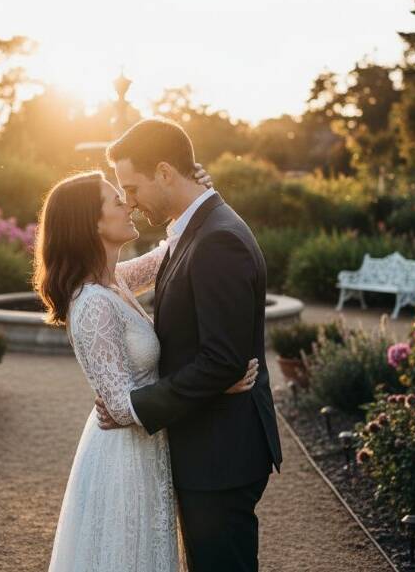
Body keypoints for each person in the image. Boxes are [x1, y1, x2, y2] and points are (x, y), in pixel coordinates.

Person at [34, 165, 258, 571]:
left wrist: (195, 195)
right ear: (91, 222)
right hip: (123, 456)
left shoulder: (115, 281)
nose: (130, 206)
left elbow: (173, 250)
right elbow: (121, 408)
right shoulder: (93, 303)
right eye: (117, 201)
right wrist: (216, 384)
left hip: (147, 444)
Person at [96, 117, 283, 571]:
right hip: (210, 443)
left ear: (164, 172)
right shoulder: (198, 228)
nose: (130, 202)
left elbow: (223, 360)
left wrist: (135, 407)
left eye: (132, 188)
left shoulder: (217, 239)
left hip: (220, 453)